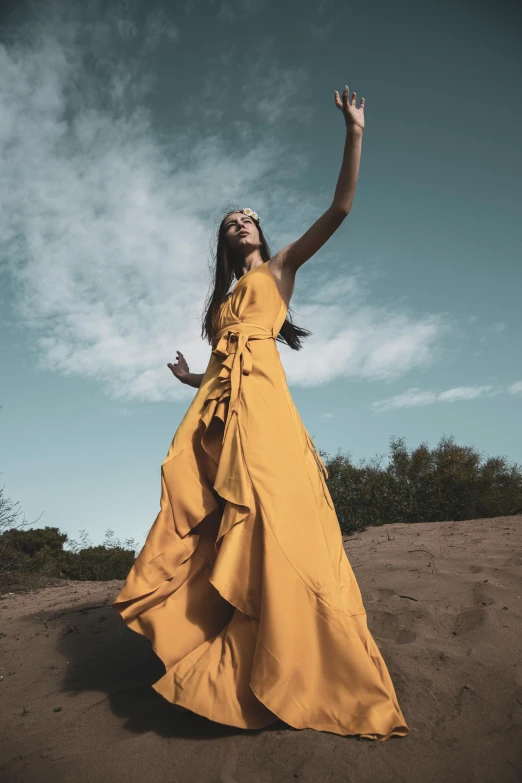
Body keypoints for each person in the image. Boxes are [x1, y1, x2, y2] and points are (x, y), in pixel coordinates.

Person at [113, 85, 410, 740]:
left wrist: (354, 133)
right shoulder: (221, 303)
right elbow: (224, 363)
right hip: (221, 410)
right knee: (216, 515)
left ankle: (294, 654)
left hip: (266, 403)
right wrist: (193, 376)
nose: (240, 220)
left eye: (247, 215)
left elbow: (340, 208)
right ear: (223, 240)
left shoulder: (280, 269)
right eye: (230, 220)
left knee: (271, 511)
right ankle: (221, 637)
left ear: (261, 230)